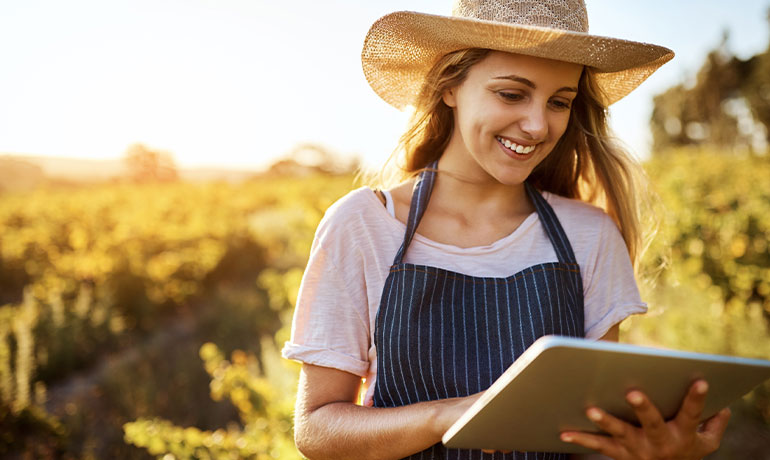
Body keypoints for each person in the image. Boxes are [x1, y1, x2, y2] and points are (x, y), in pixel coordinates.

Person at [282, 1, 732, 459]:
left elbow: (589, 437)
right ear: (450, 86)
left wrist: (654, 451)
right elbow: (317, 430)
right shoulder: (363, 225)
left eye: (559, 102)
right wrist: (449, 417)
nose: (537, 126)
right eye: (512, 94)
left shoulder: (588, 236)